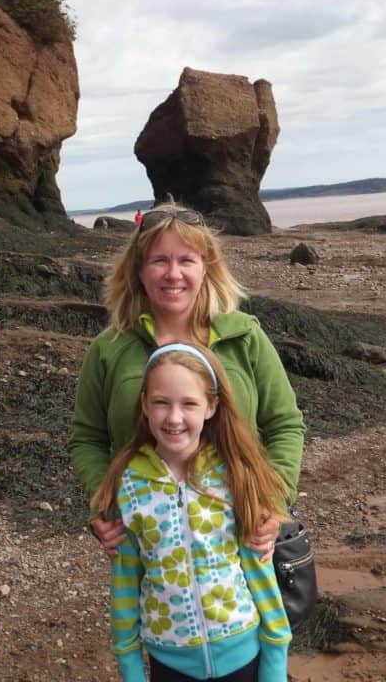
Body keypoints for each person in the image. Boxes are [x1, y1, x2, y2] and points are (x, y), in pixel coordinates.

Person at [70, 203, 305, 558]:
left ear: (206, 268)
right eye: (159, 260)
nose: (173, 273)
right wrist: (103, 505)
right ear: (138, 271)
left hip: (244, 540)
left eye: (186, 260)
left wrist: (273, 501)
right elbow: (87, 438)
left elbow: (286, 425)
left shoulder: (245, 338)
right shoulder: (110, 349)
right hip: (150, 548)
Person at [91, 343, 291, 682]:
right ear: (144, 405)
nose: (174, 417)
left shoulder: (235, 476)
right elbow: (125, 582)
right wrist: (130, 666)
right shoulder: (127, 485)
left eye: (189, 404)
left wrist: (275, 659)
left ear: (211, 406)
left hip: (245, 658)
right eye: (161, 403)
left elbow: (260, 572)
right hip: (168, 664)